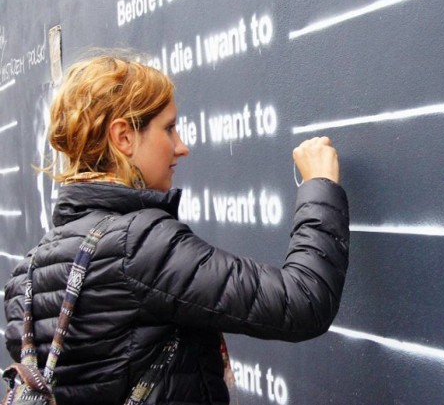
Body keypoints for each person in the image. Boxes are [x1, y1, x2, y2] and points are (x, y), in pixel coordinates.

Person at [3, 54, 349, 404]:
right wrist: (319, 185)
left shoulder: (27, 276)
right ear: (123, 136)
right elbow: (303, 301)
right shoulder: (137, 244)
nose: (181, 146)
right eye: (168, 128)